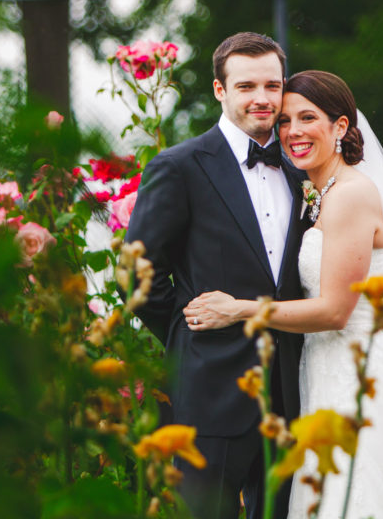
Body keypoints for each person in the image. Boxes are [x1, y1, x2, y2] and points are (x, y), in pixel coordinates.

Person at [183, 71, 383, 518]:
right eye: (285, 121)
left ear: (340, 127)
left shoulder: (351, 193)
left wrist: (238, 309)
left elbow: (335, 311)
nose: (292, 131)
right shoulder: (315, 192)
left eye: (308, 118)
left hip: (361, 374)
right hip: (325, 368)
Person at [125, 32, 310, 519]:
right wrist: (191, 332)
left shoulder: (302, 171)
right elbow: (140, 278)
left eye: (273, 85)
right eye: (246, 86)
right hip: (208, 391)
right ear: (219, 90)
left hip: (293, 392)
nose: (262, 98)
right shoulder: (179, 166)